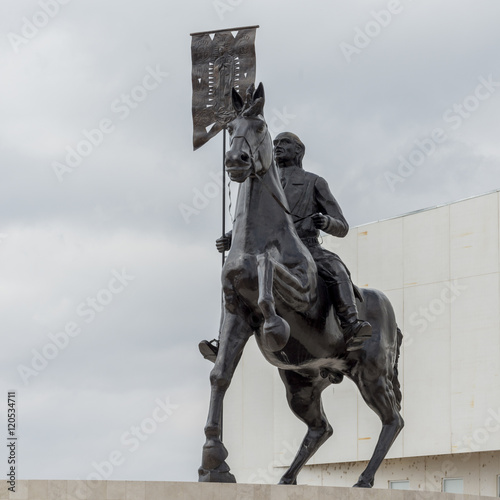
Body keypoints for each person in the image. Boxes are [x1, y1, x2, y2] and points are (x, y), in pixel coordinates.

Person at [199, 132, 371, 362]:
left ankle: (351, 324)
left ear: (299, 151)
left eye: (285, 143)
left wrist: (326, 222)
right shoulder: (262, 184)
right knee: (236, 280)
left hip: (308, 250)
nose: (278, 146)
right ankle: (223, 340)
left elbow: (343, 226)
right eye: (275, 143)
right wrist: (231, 237)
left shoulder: (314, 181)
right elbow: (252, 222)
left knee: (337, 269)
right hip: (273, 251)